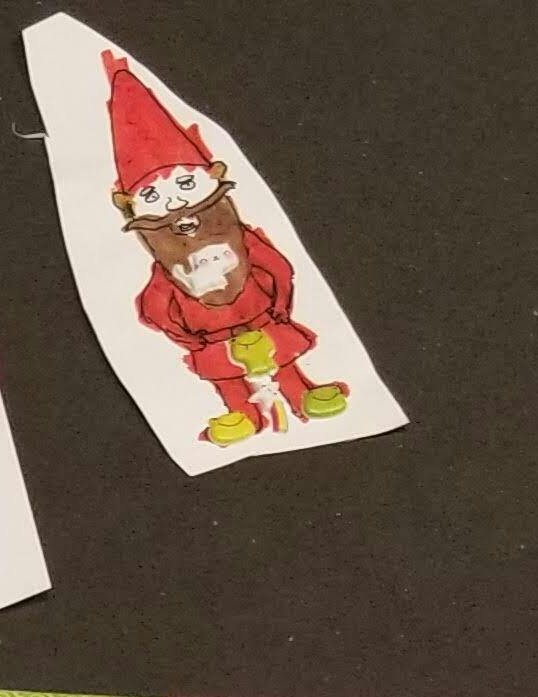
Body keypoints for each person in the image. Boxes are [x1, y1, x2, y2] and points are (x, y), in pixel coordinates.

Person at [99, 50, 352, 445]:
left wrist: (279, 310)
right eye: (155, 197)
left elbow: (278, 269)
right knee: (228, 377)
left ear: (212, 179)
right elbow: (155, 307)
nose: (176, 205)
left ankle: (301, 393)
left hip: (263, 321)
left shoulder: (243, 239)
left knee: (280, 359)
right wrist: (192, 341)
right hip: (212, 340)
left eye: (186, 185)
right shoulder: (167, 265)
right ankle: (242, 414)